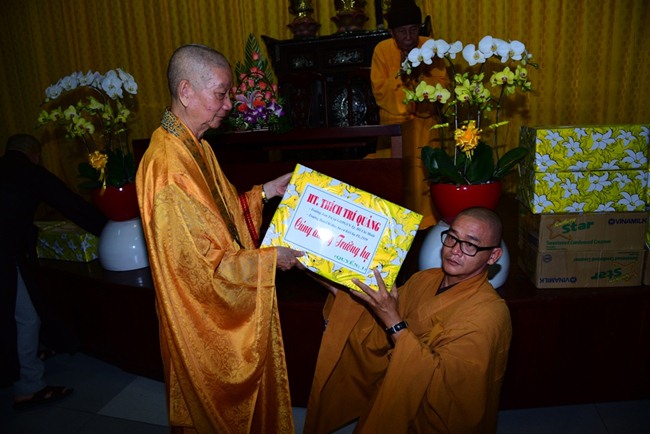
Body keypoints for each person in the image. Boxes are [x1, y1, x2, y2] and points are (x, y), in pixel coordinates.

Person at [136, 44, 305, 433]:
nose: (229, 104)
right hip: (201, 323)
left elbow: (223, 217)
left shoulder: (197, 147)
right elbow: (196, 272)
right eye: (221, 93)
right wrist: (269, 260)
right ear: (186, 91)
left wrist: (266, 191)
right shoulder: (167, 170)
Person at [303, 207, 512, 434]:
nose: (455, 250)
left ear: (493, 256)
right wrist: (309, 265)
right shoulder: (425, 279)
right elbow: (374, 319)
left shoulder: (489, 314)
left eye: (470, 245)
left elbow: (450, 394)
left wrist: (394, 321)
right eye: (452, 237)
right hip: (395, 394)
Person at [0, 134, 107, 409]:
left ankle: (27, 356)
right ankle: (29, 386)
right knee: (26, 318)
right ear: (35, 155)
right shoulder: (30, 172)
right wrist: (108, 229)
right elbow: (71, 205)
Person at [370, 0, 450, 229]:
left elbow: (443, 84)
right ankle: (394, 225)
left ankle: (428, 223)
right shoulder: (382, 50)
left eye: (413, 30)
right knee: (396, 177)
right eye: (402, 31)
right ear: (392, 33)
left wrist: (420, 73)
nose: (408, 37)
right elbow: (379, 90)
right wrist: (403, 71)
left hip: (425, 121)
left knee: (425, 174)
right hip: (394, 123)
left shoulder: (430, 47)